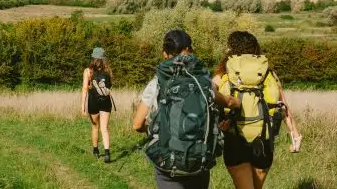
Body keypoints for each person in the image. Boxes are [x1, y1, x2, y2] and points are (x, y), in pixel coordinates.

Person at [133, 29, 241, 189]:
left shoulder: (157, 82)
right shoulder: (204, 81)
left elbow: (136, 124)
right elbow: (228, 101)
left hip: (167, 162)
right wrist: (240, 103)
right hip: (199, 159)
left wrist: (154, 130)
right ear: (189, 51)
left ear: (164, 54)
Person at [213, 31, 302, 189]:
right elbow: (283, 106)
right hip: (264, 140)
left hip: (234, 140)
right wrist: (294, 134)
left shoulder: (223, 74)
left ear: (231, 50)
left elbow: (208, 98)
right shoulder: (268, 74)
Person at [81, 47, 115, 163]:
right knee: (104, 128)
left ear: (93, 58)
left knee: (95, 127)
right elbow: (110, 88)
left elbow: (85, 89)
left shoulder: (88, 71)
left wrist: (83, 106)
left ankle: (95, 151)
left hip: (93, 102)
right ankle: (107, 153)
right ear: (103, 58)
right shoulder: (109, 71)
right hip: (105, 102)